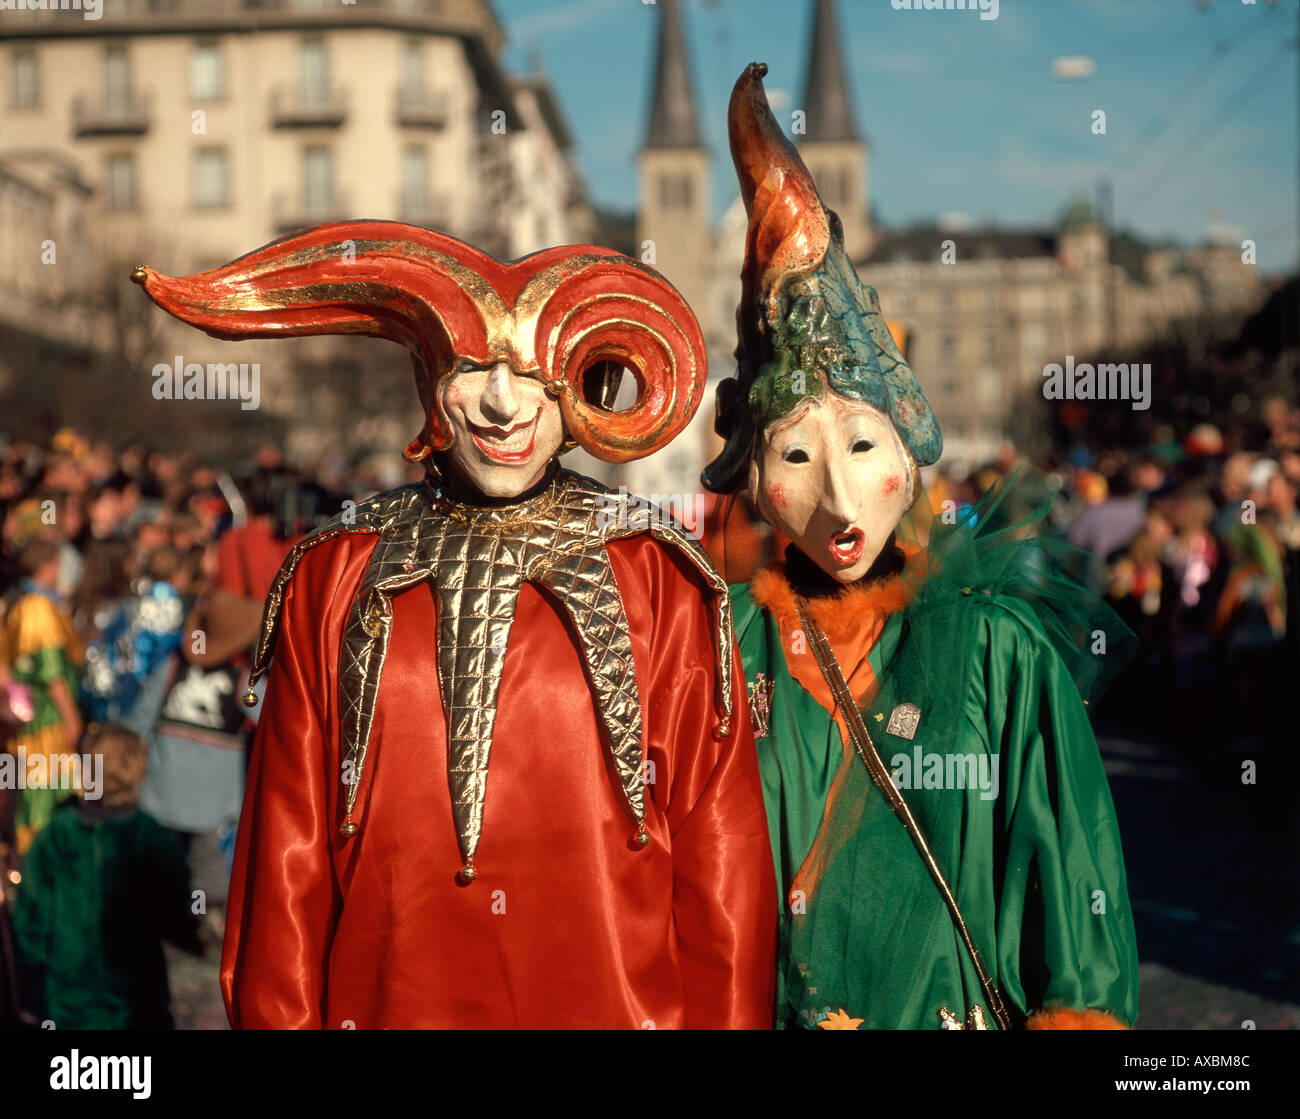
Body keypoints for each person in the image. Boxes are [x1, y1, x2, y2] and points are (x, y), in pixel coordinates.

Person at [132, 220, 777, 1029]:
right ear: (431, 376)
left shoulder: (663, 581)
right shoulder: (332, 577)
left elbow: (721, 867)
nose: (504, 404)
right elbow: (286, 863)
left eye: (535, 374)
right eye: (475, 369)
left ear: (576, 386)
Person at [704, 65, 1139, 1031]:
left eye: (862, 445)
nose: (840, 493)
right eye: (797, 455)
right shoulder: (718, 650)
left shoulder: (997, 652)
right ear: (753, 472)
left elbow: (1067, 865)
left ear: (908, 444)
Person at [11, 723, 202, 1029]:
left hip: (73, 994)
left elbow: (30, 920)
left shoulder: (56, 833)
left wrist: (29, 987)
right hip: (137, 994)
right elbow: (178, 912)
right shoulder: (150, 835)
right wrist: (196, 934)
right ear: (138, 770)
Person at [1, 537, 83, 854]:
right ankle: (32, 864)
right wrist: (71, 719)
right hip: (46, 721)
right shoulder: (38, 608)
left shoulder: (13, 601)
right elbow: (51, 673)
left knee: (22, 790)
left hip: (23, 719)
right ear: (46, 566)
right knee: (41, 796)